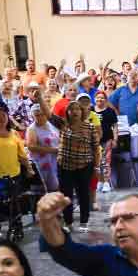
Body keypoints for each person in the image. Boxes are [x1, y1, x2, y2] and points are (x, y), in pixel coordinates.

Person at [54, 97, 99, 232]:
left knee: (83, 194)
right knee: (66, 195)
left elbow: (96, 148)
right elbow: (49, 115)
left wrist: (96, 167)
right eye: (71, 109)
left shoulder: (90, 127)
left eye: (77, 109)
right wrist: (39, 98)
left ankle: (84, 222)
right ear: (67, 112)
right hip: (65, 166)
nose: (74, 112)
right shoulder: (63, 124)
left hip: (84, 166)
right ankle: (68, 223)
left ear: (82, 111)